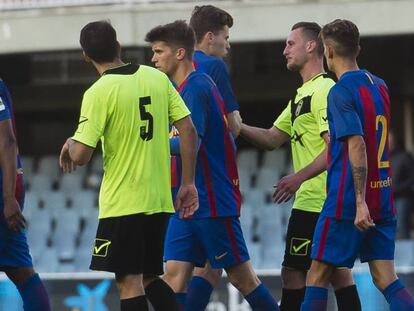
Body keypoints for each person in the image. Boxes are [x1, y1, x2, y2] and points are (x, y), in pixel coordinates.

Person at [59, 20, 199, 311]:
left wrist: (72, 141)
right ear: (118, 46)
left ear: (85, 56)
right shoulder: (156, 78)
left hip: (125, 201)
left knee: (128, 281)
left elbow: (82, 155)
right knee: (148, 277)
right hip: (159, 199)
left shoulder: (99, 92)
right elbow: (188, 130)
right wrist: (188, 183)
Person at [145, 20, 279, 311]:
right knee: (173, 277)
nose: (153, 58)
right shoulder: (182, 88)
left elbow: (190, 142)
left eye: (158, 51)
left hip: (211, 201)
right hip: (187, 202)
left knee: (242, 278)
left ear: (180, 53)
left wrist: (145, 145)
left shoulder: (196, 88)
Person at [239, 22, 360, 311]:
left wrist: (297, 179)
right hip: (315, 201)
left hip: (318, 200)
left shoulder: (325, 90)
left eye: (290, 44)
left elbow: (336, 148)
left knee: (296, 274)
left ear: (311, 46)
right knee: (336, 273)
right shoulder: (300, 96)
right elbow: (271, 138)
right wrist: (236, 126)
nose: (284, 51)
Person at [301, 19, 414, 311]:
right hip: (383, 198)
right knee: (385, 278)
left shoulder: (339, 92)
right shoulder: (381, 85)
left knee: (317, 275)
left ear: (327, 51)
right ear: (358, 48)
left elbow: (358, 144)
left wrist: (360, 202)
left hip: (347, 202)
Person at [185, 6, 242, 308]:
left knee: (186, 269)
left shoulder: (175, 67)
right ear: (209, 37)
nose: (228, 45)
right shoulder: (213, 66)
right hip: (213, 180)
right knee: (240, 273)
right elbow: (232, 124)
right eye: (226, 37)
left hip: (180, 179)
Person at [0, 79, 51, 311]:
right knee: (21, 271)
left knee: (22, 272)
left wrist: (9, 198)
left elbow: (7, 140)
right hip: (7, 191)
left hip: (4, 191)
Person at [389, 130, 414, 239]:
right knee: (388, 228)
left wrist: (398, 189)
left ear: (393, 141)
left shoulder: (404, 156)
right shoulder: (382, 159)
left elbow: (412, 177)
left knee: (402, 226)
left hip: (402, 197)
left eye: (389, 140)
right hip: (387, 198)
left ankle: (408, 255)